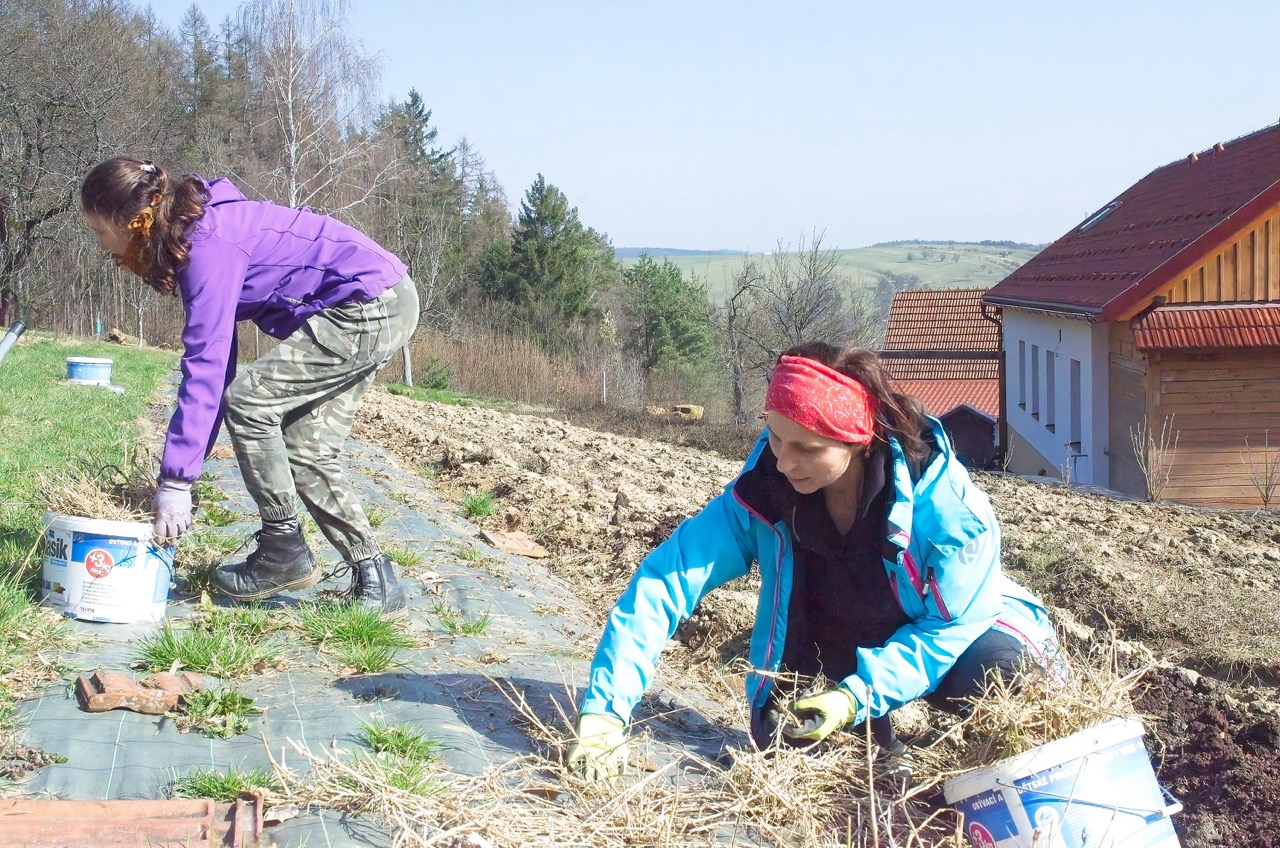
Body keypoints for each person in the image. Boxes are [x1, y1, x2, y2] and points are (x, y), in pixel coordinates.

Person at [567, 343, 1061, 779]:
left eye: (807, 448)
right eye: (775, 437)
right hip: (847, 630)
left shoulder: (952, 513)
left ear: (859, 439)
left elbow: (948, 627)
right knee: (784, 743)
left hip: (968, 630)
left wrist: (854, 697)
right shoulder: (767, 488)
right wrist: (605, 713)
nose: (784, 462)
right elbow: (666, 581)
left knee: (998, 675)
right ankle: (878, 745)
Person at [80, 157, 419, 614]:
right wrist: (183, 471)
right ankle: (375, 577)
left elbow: (206, 367)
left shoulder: (208, 245)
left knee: (250, 403)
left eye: (101, 232)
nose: (104, 247)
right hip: (384, 298)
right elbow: (217, 362)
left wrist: (177, 479)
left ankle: (283, 548)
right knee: (307, 446)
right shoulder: (200, 234)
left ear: (132, 221)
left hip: (370, 304)